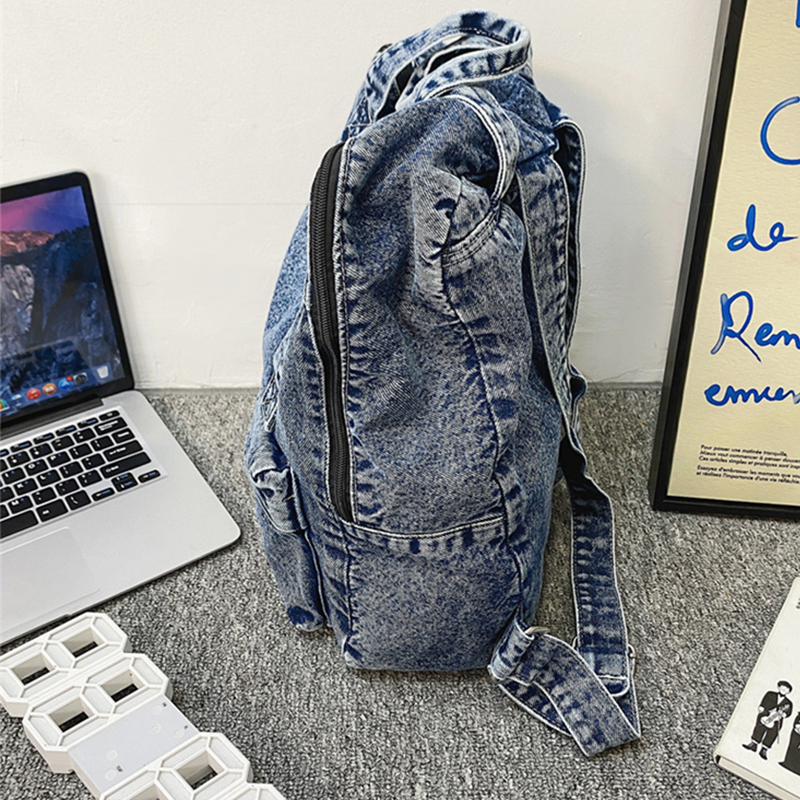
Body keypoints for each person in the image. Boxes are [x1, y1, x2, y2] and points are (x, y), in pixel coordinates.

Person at [743, 681, 793, 760]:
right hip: (764, 715)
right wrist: (761, 708)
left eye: (787, 688)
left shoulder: (788, 703)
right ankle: (754, 744)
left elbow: (788, 713)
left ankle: (764, 749)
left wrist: (784, 714)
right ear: (778, 687)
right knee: (759, 729)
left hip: (776, 720)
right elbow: (763, 702)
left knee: (772, 734)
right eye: (782, 687)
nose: (784, 689)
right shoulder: (770, 694)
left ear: (789, 692)